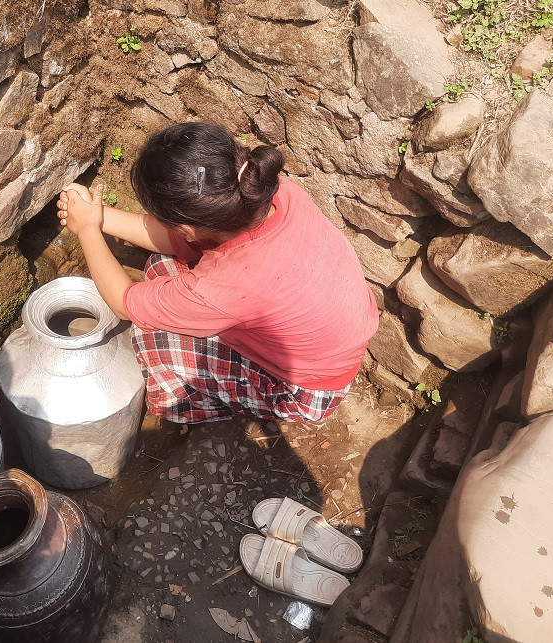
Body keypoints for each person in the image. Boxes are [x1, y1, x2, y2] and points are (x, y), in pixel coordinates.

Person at [56, 122, 379, 424]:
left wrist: (87, 231)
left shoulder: (228, 285)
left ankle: (183, 408)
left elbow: (124, 305)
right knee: (158, 268)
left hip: (307, 390)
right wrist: (96, 218)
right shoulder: (266, 191)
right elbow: (179, 238)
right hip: (331, 342)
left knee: (150, 338)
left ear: (187, 229)